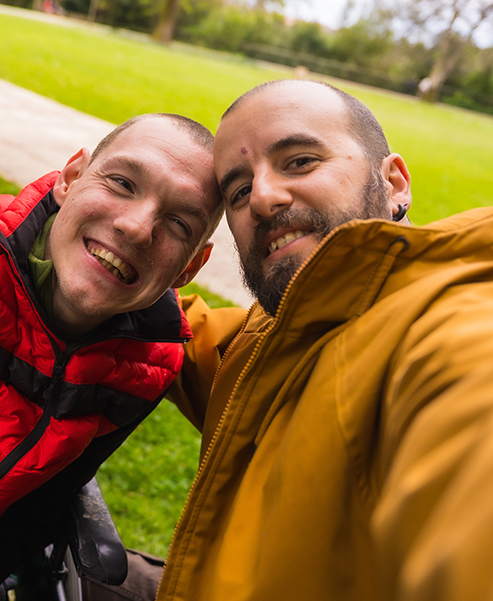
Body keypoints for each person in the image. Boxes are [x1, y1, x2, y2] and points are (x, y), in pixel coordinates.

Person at [153, 79, 493, 601]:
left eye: (301, 161)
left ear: (395, 184)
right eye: (238, 190)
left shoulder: (449, 333)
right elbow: (186, 336)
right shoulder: (283, 327)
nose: (263, 199)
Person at [0, 112, 222, 601]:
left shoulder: (148, 368)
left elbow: (34, 514)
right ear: (70, 178)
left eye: (177, 222)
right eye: (123, 182)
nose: (135, 227)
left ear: (190, 266)